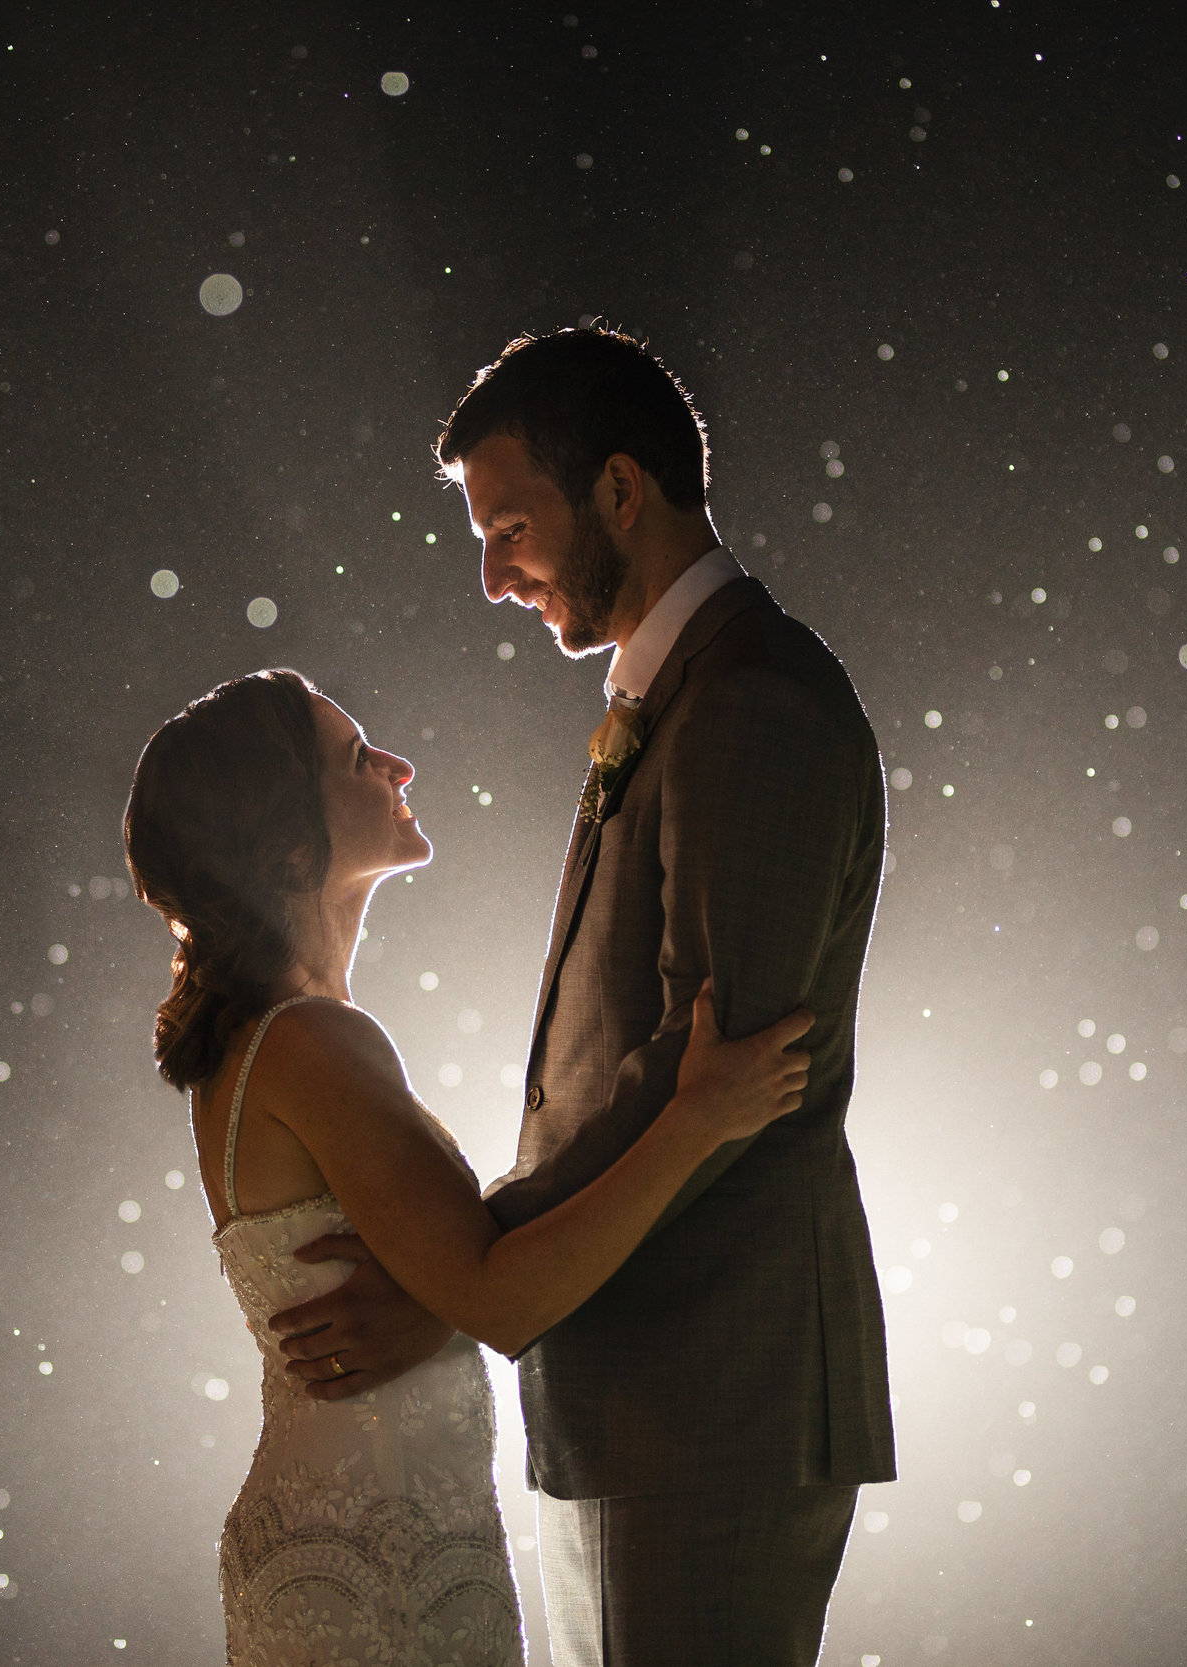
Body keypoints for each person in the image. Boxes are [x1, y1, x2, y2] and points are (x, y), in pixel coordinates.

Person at [264, 325, 895, 1665]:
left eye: (509, 525)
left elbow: (712, 1076)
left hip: (707, 1390)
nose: (493, 577)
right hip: (647, 1384)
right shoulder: (688, 696)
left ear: (620, 490)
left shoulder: (752, 704)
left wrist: (460, 1276)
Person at [123, 667, 816, 1665]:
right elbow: (501, 1298)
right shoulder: (313, 1040)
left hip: (358, 1533)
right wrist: (699, 1116)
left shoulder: (262, 1042)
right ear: (285, 840)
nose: (399, 764)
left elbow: (451, 1268)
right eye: (358, 759)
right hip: (376, 1554)